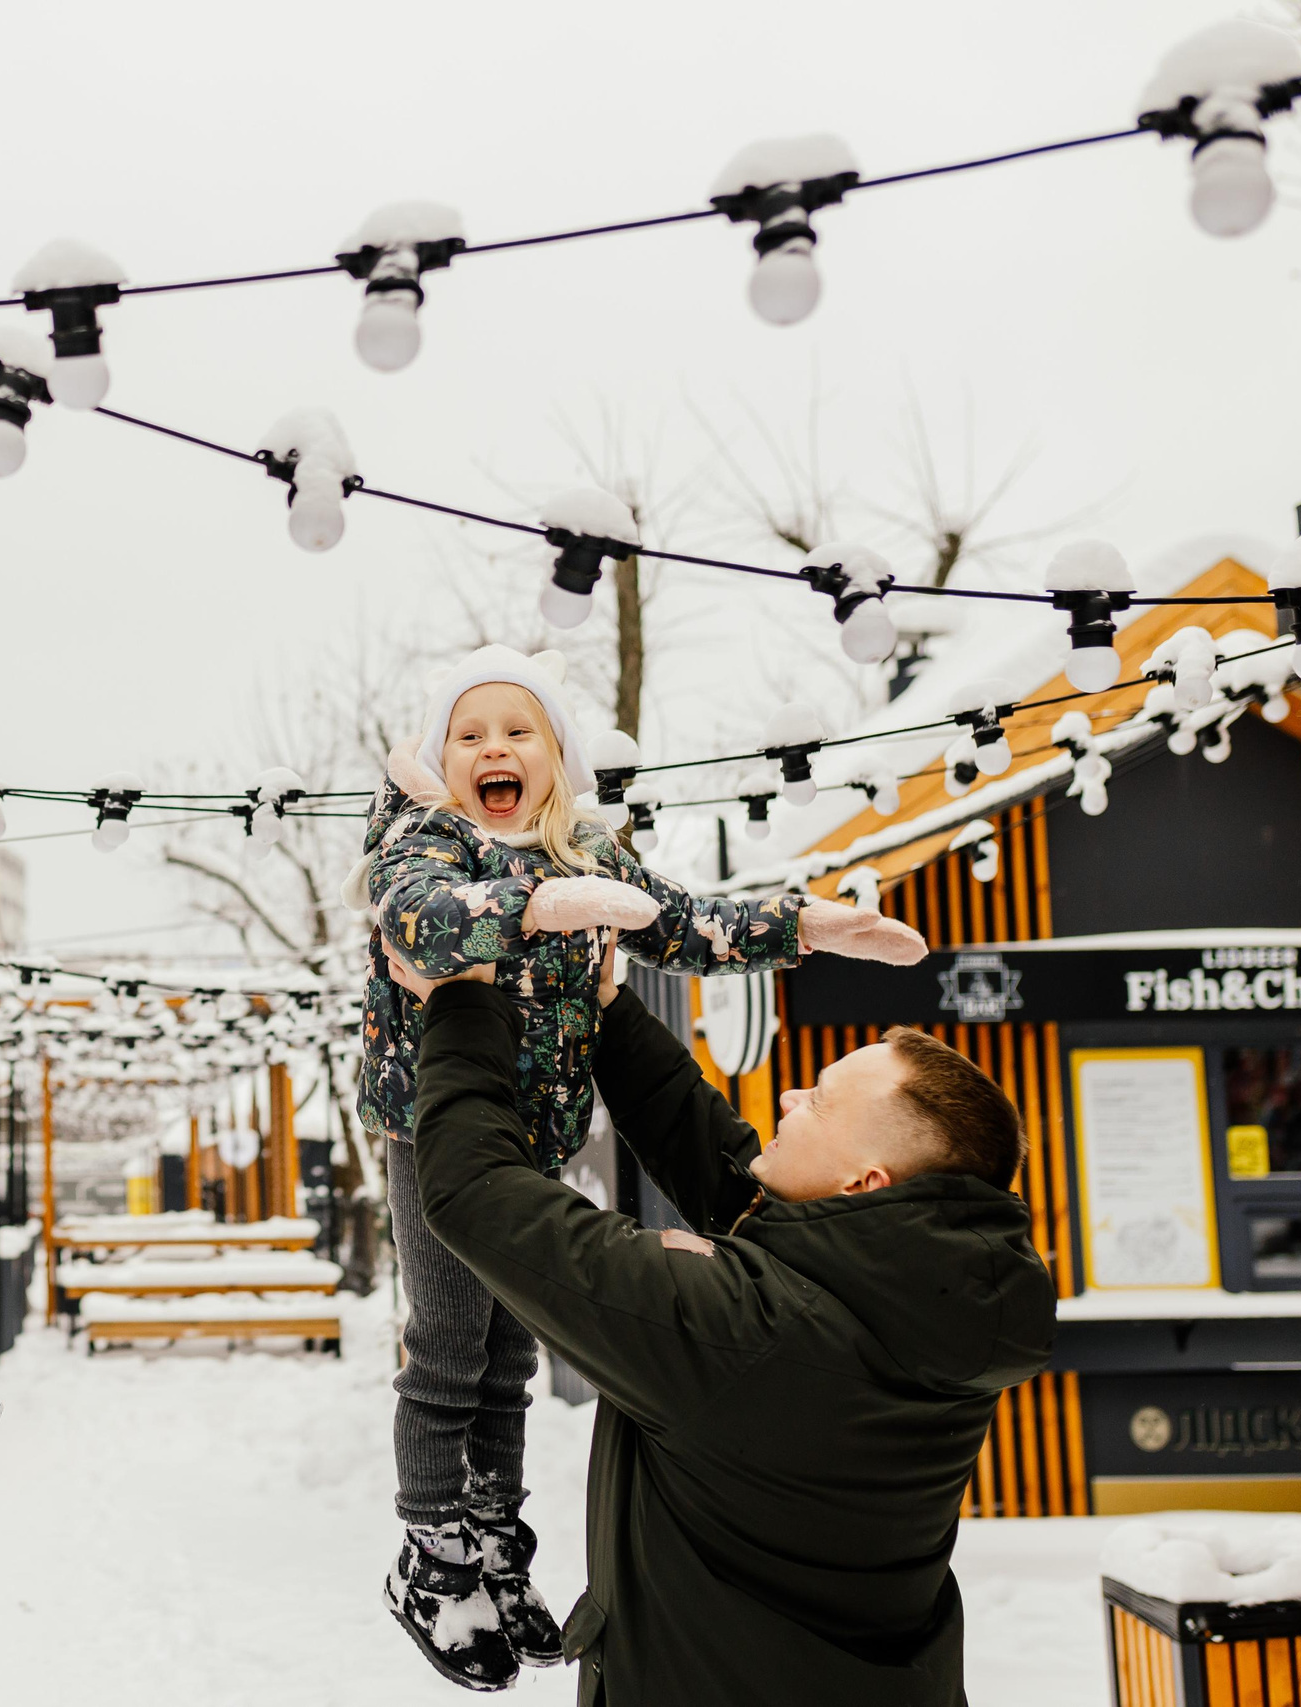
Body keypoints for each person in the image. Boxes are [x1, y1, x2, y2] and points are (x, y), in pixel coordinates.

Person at [353, 643, 925, 1687]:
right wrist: (530, 909)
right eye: (468, 734)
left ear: (557, 757)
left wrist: (809, 925)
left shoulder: (589, 851)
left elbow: (690, 925)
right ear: (442, 761)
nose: (493, 748)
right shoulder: (424, 841)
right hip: (435, 1134)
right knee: (446, 1349)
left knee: (512, 1360)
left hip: (536, 1138)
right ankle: (432, 1555)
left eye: (517, 731)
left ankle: (493, 1541)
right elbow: (418, 923)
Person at [393, 935, 1057, 1706]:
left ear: (864, 1181)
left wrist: (462, 1004)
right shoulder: (932, 1305)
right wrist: (604, 1008)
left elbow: (476, 1194)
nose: (788, 1099)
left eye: (819, 1100)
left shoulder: (749, 1337)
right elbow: (730, 1172)